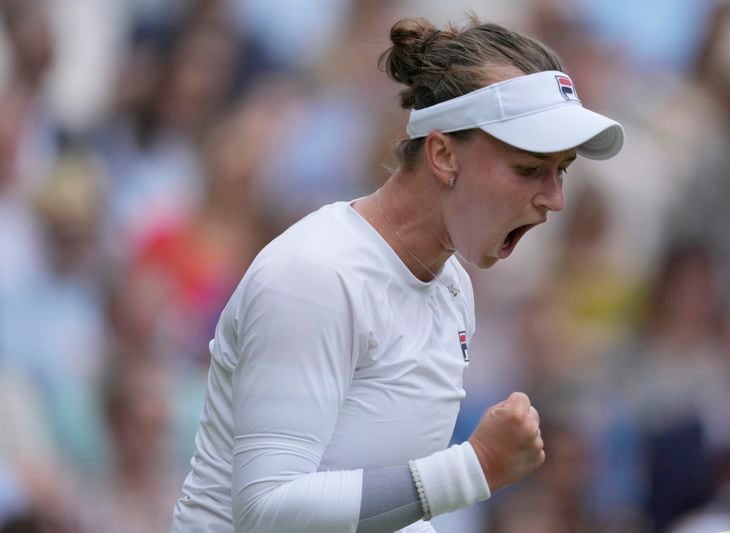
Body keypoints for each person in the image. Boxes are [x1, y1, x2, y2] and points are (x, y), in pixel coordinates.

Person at [171, 15, 624, 533]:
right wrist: (473, 467)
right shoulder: (316, 275)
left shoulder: (452, 289)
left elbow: (387, 514)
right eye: (528, 169)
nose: (555, 199)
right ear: (442, 153)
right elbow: (268, 510)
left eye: (561, 170)